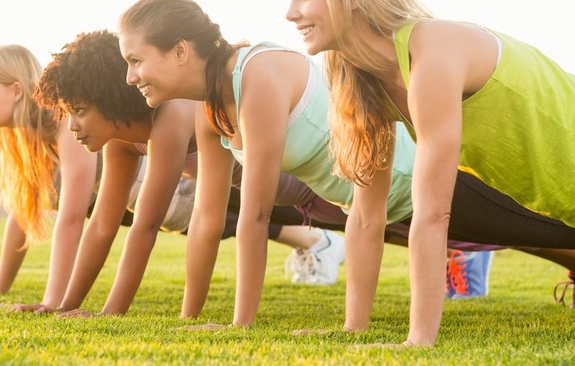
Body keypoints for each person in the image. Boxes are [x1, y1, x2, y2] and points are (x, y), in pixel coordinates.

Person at [116, 0, 575, 329]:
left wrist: (239, 326)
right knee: (561, 225)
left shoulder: (254, 75)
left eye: (137, 60)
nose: (131, 77)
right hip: (383, 200)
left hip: (429, 176)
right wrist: (194, 319)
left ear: (181, 51)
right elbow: (211, 219)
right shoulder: (210, 111)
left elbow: (257, 216)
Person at [285, 0, 575, 346]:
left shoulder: (432, 50)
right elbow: (366, 216)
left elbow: (434, 213)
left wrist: (418, 341)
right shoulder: (369, 86)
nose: (290, 12)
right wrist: (353, 329)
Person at [24, 31, 345, 318]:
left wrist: (109, 314)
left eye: (79, 112)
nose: (72, 127)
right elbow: (102, 225)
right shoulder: (121, 141)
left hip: (308, 187)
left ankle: (330, 245)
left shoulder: (172, 115)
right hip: (271, 195)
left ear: (110, 101)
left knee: (392, 223)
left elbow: (146, 226)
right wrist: (65, 306)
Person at [0, 44, 99, 309]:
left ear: (16, 91)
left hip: (183, 193)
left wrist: (51, 304)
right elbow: (22, 212)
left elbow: (72, 219)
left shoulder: (65, 118)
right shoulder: (29, 134)